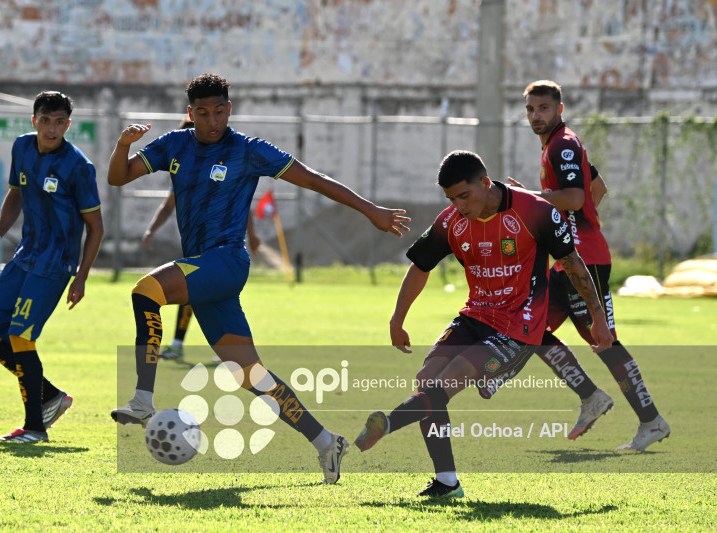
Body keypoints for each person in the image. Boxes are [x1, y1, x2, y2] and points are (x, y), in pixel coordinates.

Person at [107, 73, 410, 483]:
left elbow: (315, 180)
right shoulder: (173, 145)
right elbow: (118, 177)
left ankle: (143, 397)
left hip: (227, 261)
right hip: (204, 267)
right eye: (202, 113)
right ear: (189, 113)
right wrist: (124, 144)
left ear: (229, 109)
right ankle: (325, 441)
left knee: (145, 291)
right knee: (249, 374)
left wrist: (370, 210)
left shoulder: (250, 150)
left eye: (218, 111)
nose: (211, 120)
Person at [354, 150, 614, 497]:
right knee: (427, 380)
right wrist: (396, 319)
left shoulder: (534, 211)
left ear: (485, 183)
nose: (459, 205)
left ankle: (388, 424)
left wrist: (599, 317)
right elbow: (420, 266)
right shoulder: (451, 221)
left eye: (465, 195)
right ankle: (447, 482)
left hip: (518, 327)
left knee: (443, 384)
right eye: (451, 198)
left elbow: (572, 262)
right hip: (475, 316)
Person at [509, 80, 669, 451]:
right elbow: (598, 190)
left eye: (544, 108)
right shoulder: (560, 144)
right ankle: (591, 396)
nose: (536, 116)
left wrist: (527, 198)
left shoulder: (562, 144)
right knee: (527, 327)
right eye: (531, 109)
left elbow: (577, 196)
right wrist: (576, 219)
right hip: (570, 257)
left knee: (604, 340)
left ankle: (651, 421)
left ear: (559, 109)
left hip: (585, 260)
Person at [0, 91, 104, 443]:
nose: (51, 128)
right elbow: (16, 193)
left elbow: (96, 227)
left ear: (68, 124)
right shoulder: (22, 147)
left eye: (59, 121)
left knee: (20, 337)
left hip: (54, 265)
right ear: (34, 120)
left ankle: (34, 428)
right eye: (45, 120)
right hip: (24, 257)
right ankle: (48, 395)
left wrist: (81, 277)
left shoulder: (78, 166)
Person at [142, 118, 261, 363]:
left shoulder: (223, 164)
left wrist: (252, 234)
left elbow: (243, 206)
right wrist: (152, 228)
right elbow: (169, 204)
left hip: (222, 252)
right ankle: (227, 352)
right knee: (199, 296)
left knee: (199, 294)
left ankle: (186, 347)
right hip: (197, 249)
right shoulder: (185, 173)